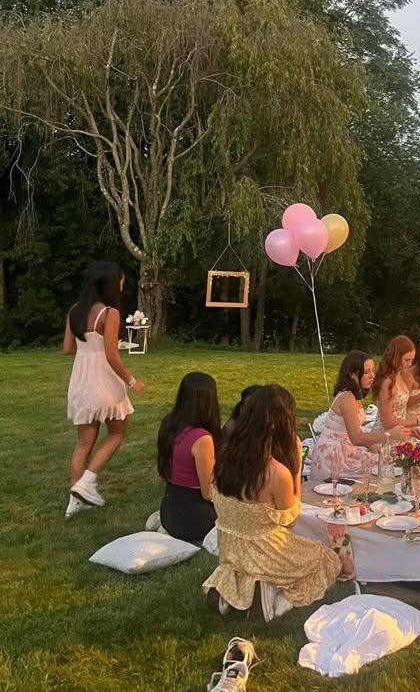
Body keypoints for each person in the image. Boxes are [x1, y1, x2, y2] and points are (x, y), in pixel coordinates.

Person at [202, 384, 340, 619]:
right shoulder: (275, 472)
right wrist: (295, 466)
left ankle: (236, 586)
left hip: (231, 549)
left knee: (251, 559)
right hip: (266, 552)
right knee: (326, 559)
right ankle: (281, 598)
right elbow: (290, 521)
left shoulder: (224, 456)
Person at [63, 261, 145, 517]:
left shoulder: (75, 310)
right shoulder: (109, 313)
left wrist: (89, 350)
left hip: (81, 381)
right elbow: (112, 356)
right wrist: (133, 381)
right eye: (121, 281)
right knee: (117, 433)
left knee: (83, 444)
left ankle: (75, 500)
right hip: (105, 383)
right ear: (111, 284)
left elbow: (68, 348)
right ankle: (87, 482)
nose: (123, 285)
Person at [311, 351, 403, 479]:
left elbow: (355, 429)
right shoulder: (347, 397)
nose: (372, 376)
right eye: (366, 372)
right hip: (333, 455)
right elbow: (356, 437)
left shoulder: (355, 395)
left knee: (385, 462)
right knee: (376, 473)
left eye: (372, 370)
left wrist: (372, 447)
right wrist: (389, 435)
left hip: (347, 449)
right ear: (352, 374)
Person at [157, 372, 221, 543]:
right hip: (194, 520)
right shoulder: (202, 439)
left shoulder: (169, 423)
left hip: (169, 510)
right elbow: (208, 493)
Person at [371, 336, 420, 433]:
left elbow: (401, 412)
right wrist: (417, 421)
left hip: (400, 431)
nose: (410, 364)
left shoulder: (399, 377)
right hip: (386, 436)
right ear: (396, 358)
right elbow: (387, 422)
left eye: (411, 360)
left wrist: (410, 430)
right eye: (407, 360)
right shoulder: (387, 383)